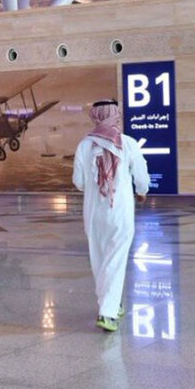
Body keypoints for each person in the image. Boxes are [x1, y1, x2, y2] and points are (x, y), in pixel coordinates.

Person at [73, 99, 150, 332]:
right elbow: (141, 175)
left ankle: (112, 304)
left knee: (99, 259)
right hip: (120, 211)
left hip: (93, 212)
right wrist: (142, 191)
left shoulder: (84, 146)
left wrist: (96, 186)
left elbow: (79, 182)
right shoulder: (127, 143)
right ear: (116, 116)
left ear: (95, 117)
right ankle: (107, 313)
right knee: (115, 259)